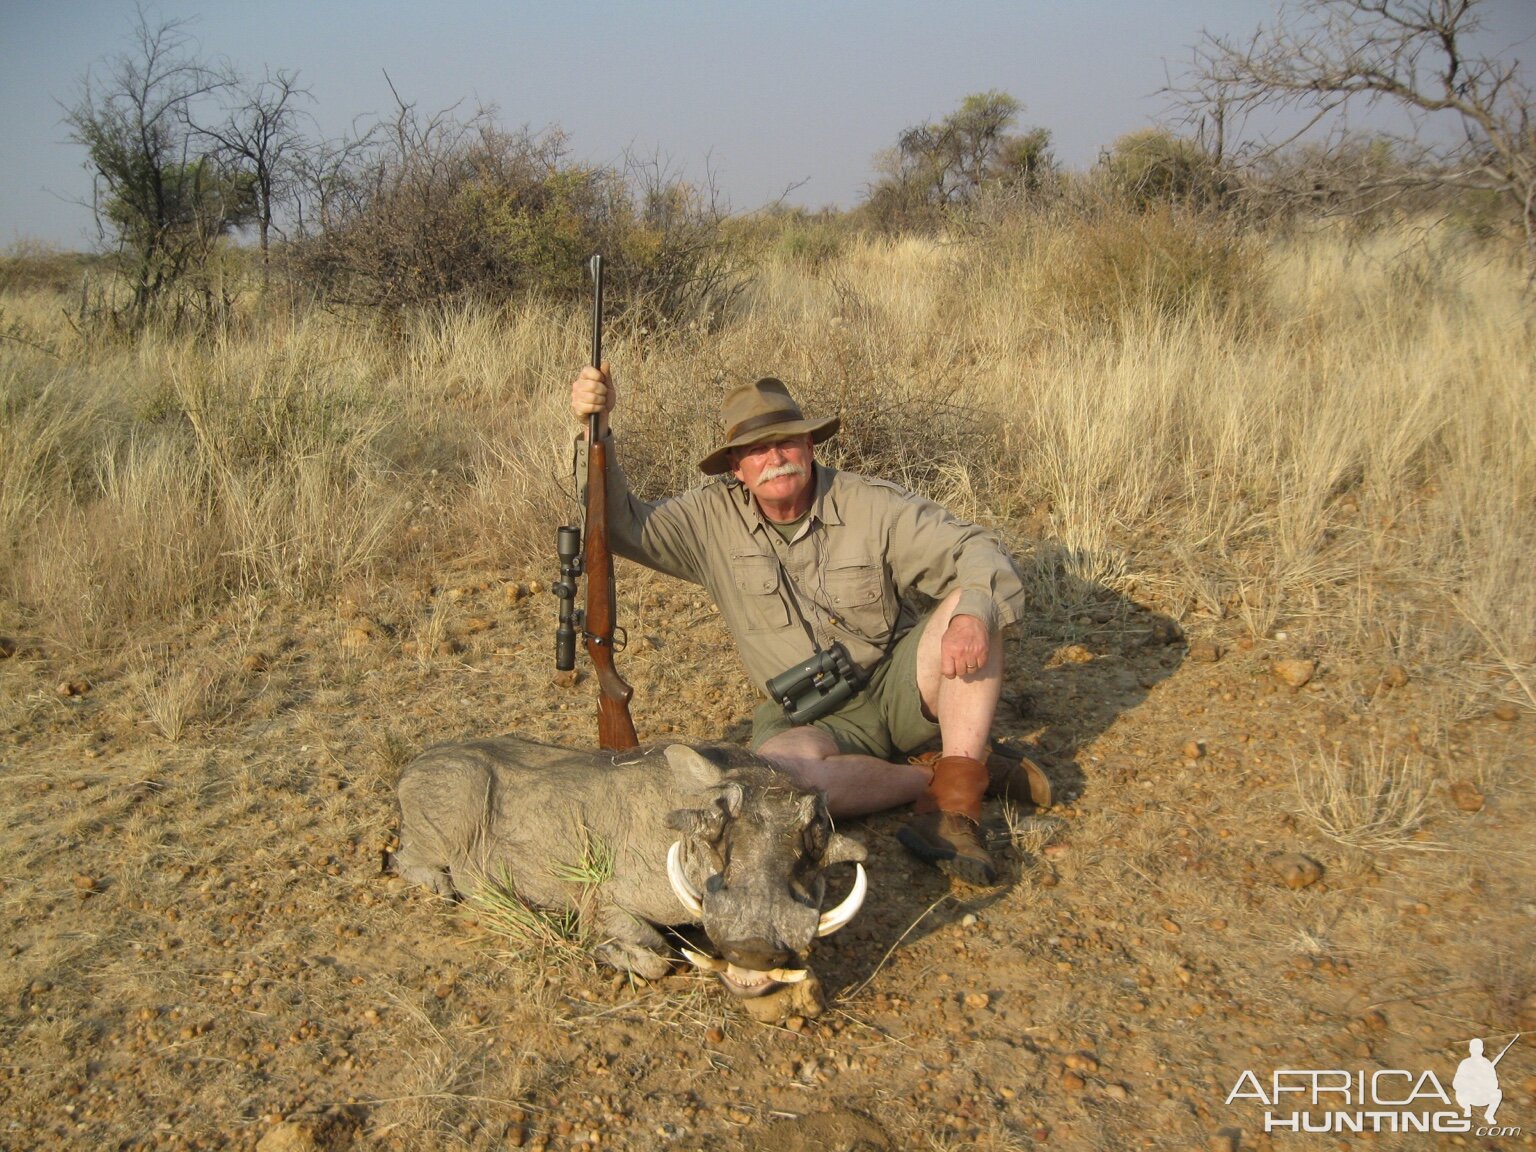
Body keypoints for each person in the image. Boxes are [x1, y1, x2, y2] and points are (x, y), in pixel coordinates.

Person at [570, 369, 1051, 885]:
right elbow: (618, 525)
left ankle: (952, 813)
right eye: (757, 449)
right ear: (736, 467)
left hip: (903, 692)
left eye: (786, 442)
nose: (774, 458)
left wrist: (971, 616)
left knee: (971, 601)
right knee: (778, 781)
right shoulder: (706, 520)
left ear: (809, 446)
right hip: (808, 718)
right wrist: (594, 431)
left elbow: (977, 550)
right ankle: (946, 772)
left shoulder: (871, 503)